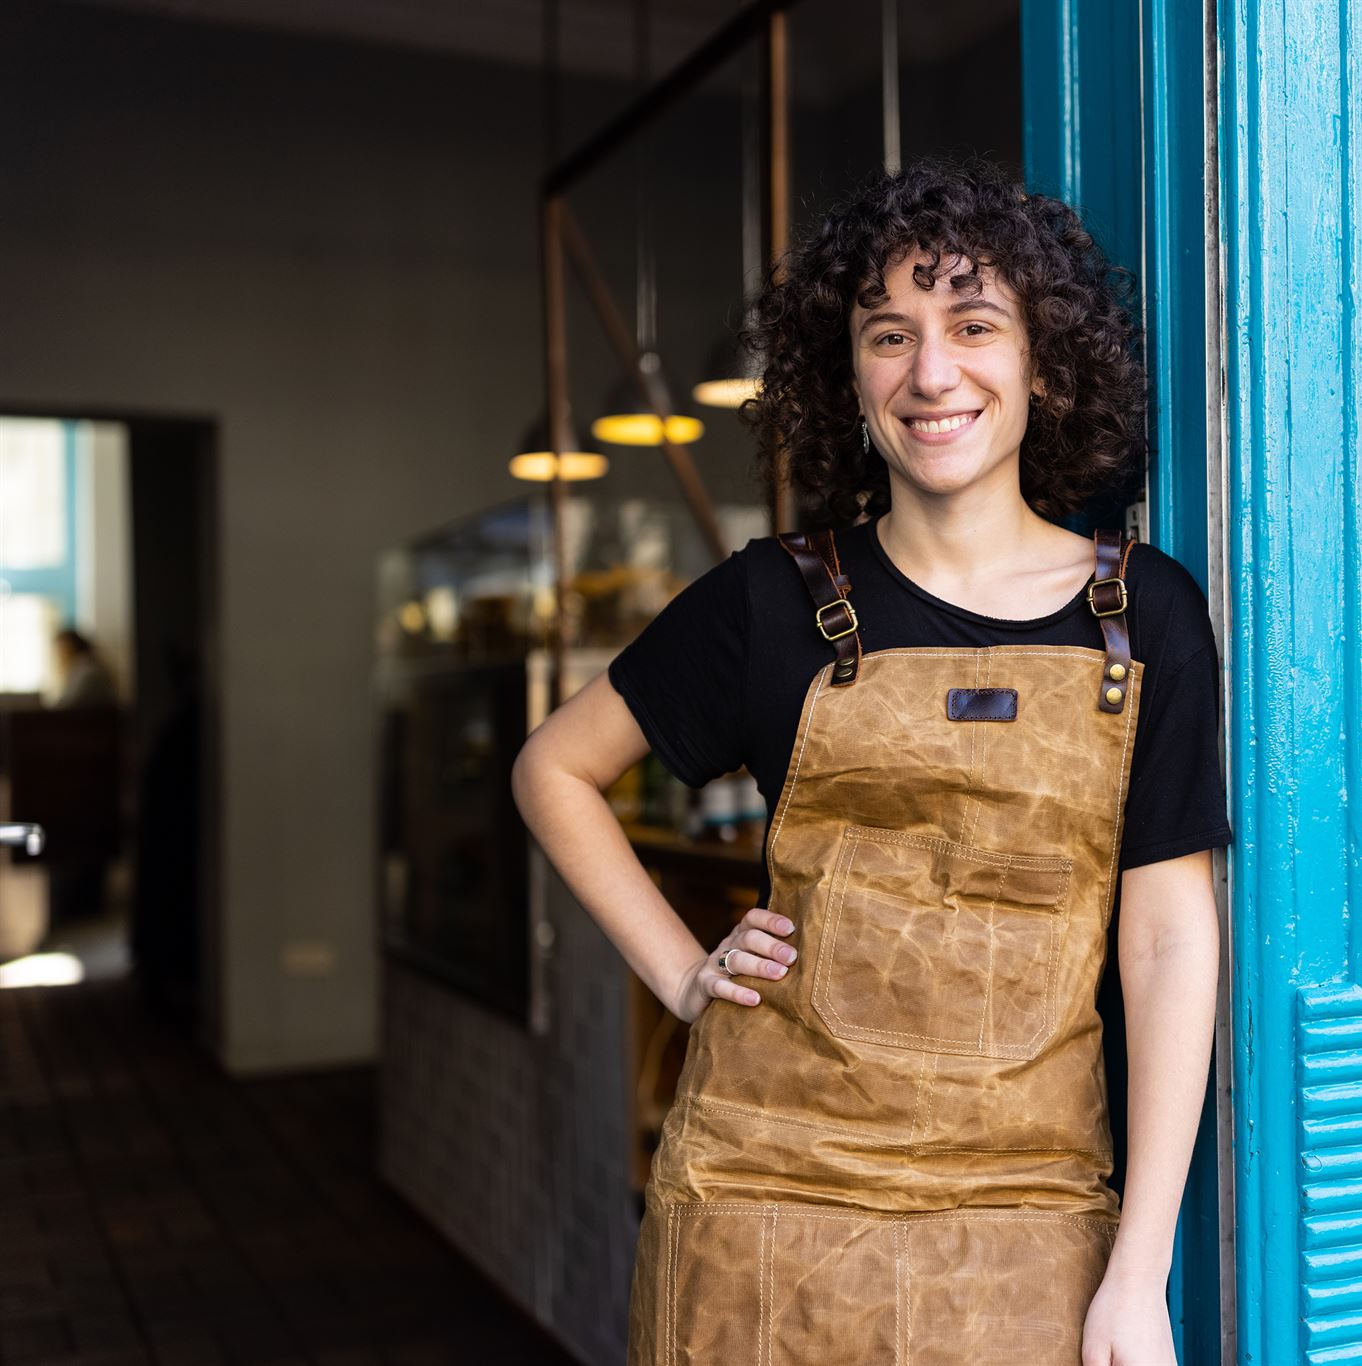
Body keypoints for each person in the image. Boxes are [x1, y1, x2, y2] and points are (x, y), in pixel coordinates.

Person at [512, 156, 1230, 1364]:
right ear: (846, 373)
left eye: (972, 325)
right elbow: (553, 770)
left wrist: (1138, 1266)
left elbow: (1164, 936)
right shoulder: (768, 600)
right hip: (758, 1201)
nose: (930, 372)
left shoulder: (1142, 610)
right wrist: (683, 974)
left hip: (1025, 1211)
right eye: (888, 334)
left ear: (1041, 362)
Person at [49, 628, 117, 709]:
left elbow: (67, 706)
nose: (58, 656)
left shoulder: (86, 672)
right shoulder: (80, 668)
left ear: (71, 647)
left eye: (60, 650)